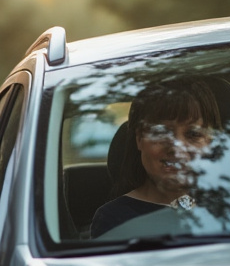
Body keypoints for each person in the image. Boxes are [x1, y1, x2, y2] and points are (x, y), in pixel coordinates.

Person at [90, 76, 221, 237]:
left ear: (210, 142)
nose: (176, 148)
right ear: (139, 139)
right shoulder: (115, 221)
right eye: (160, 132)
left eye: (193, 134)